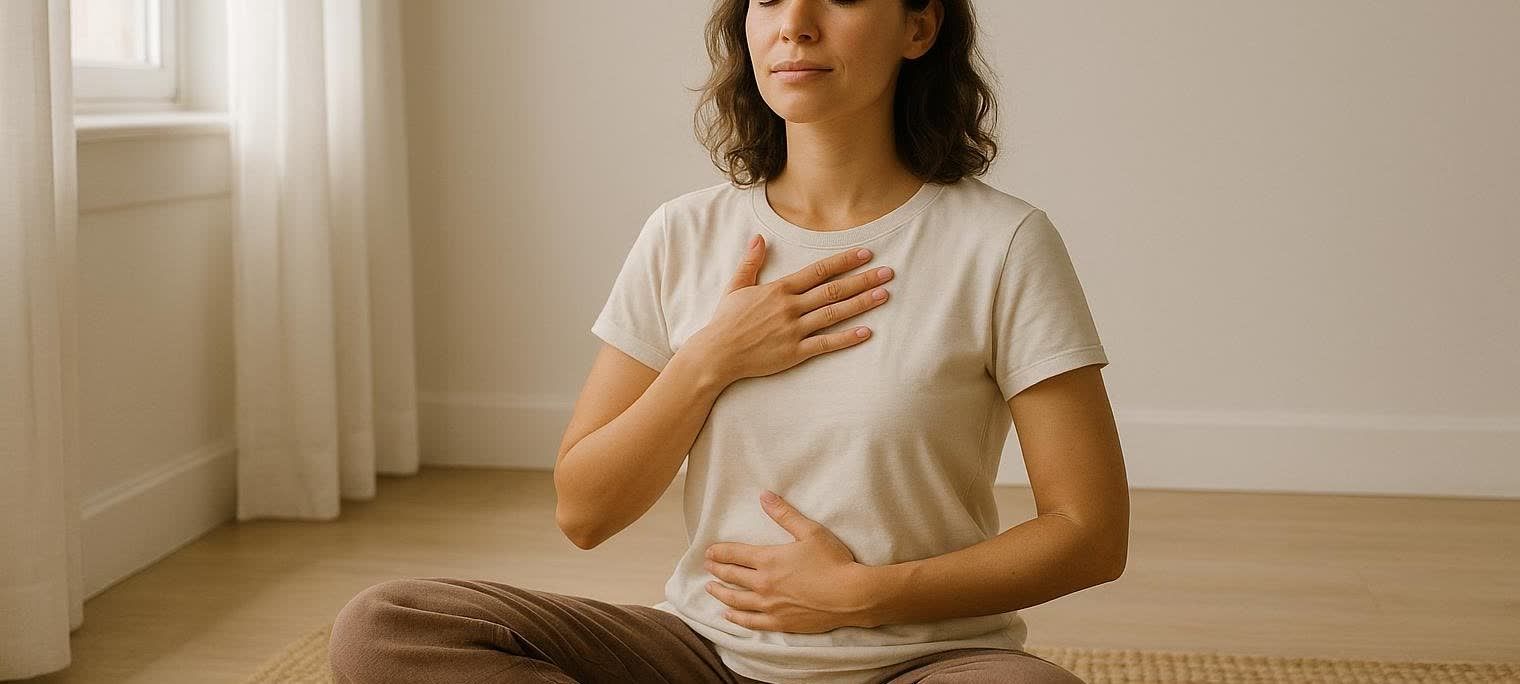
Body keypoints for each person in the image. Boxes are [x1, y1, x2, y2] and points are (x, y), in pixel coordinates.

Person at [328, 0, 1128, 682]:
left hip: (922, 663)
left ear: (919, 27)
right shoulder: (685, 233)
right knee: (388, 628)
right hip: (706, 656)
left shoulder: (1001, 242)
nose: (796, 27)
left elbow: (1090, 534)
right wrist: (709, 359)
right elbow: (585, 511)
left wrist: (866, 595)